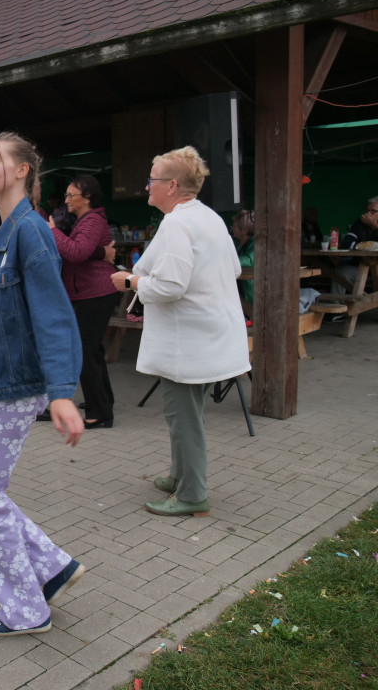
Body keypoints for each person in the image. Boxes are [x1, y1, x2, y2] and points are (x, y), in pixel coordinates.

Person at [0, 132, 86, 638]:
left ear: (23, 169)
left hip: (21, 384)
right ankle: (50, 566)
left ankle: (27, 608)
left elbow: (53, 316)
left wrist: (64, 393)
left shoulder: (31, 232)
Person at [109, 146, 250, 518]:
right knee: (186, 416)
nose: (147, 186)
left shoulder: (176, 223)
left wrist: (131, 281)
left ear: (172, 185)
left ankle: (192, 494)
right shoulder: (209, 217)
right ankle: (179, 476)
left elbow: (170, 287)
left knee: (183, 418)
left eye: (152, 180)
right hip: (211, 336)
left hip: (190, 343)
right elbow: (233, 268)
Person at [49, 175, 118, 428]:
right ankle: (103, 401)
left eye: (70, 195)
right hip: (90, 292)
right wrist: (101, 252)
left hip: (95, 293)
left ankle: (101, 414)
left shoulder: (91, 220)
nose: (66, 200)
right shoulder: (86, 220)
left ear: (86, 198)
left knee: (85, 352)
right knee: (93, 351)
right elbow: (87, 250)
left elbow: (77, 252)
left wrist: (53, 232)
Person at [230, 209, 255, 313]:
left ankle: (252, 316)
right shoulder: (237, 243)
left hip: (252, 291)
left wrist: (226, 261)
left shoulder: (257, 242)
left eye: (234, 226)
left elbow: (250, 260)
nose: (231, 228)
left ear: (244, 230)